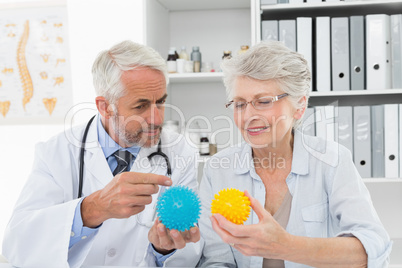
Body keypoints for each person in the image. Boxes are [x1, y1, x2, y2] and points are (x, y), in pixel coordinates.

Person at [2, 40, 202, 267]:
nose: (157, 119)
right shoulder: (56, 153)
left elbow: (190, 252)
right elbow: (17, 243)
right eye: (141, 106)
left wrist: (163, 248)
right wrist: (92, 209)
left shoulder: (180, 153)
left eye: (161, 102)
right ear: (105, 107)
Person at [197, 41, 392, 267]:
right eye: (240, 104)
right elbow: (215, 260)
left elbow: (375, 248)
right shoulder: (217, 170)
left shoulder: (331, 161)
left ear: (299, 106)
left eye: (263, 102)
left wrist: (286, 245)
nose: (248, 115)